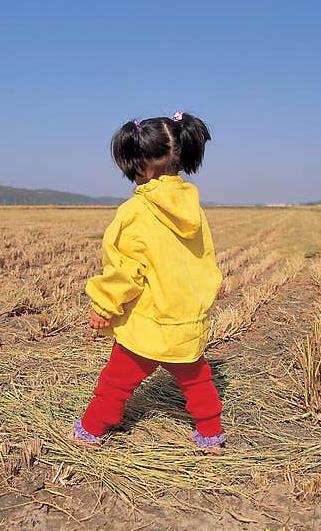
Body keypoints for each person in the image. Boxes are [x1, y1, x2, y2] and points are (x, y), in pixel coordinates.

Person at [70, 111, 226, 454]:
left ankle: (91, 430)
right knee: (198, 380)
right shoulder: (193, 208)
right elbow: (204, 259)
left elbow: (125, 269)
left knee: (115, 382)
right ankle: (211, 434)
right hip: (185, 319)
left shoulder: (136, 211)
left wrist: (104, 306)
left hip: (149, 321)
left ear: (140, 165)